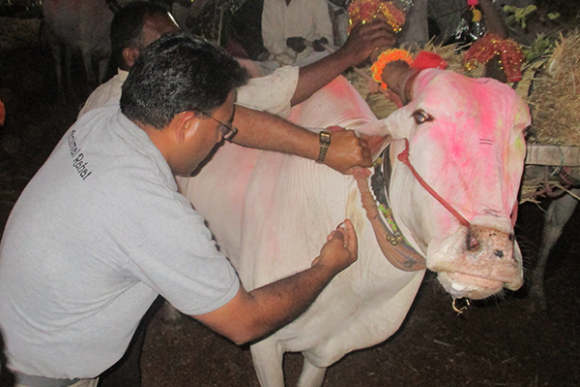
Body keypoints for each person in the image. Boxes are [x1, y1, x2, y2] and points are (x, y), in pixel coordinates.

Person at [0, 33, 359, 387]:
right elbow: (243, 322)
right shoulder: (152, 210)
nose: (224, 137)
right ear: (186, 124)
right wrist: (325, 267)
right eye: (220, 128)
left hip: (16, 328)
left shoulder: (107, 119)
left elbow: (237, 121)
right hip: (40, 373)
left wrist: (320, 147)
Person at [79, 2, 396, 176]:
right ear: (132, 58)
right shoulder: (161, 96)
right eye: (166, 41)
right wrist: (323, 147)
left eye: (179, 37)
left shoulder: (97, 97)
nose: (179, 48)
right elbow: (260, 102)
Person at [261, 0, 335, 67]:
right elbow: (269, 40)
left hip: (309, 60)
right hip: (278, 61)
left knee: (325, 55)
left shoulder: (316, 1)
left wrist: (321, 43)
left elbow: (326, 35)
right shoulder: (270, 2)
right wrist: (288, 43)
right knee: (252, 68)